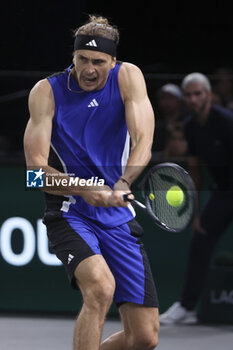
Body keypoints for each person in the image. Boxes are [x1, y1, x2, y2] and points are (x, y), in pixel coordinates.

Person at [24, 15, 159, 350]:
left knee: (144, 337)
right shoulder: (47, 92)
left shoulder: (128, 77)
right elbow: (33, 172)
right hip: (70, 213)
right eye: (82, 59)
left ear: (113, 62)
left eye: (98, 62)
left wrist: (125, 180)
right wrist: (84, 188)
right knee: (100, 289)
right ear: (73, 57)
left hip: (118, 218)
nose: (88, 69)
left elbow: (144, 138)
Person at [159, 72, 233, 325]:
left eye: (198, 94)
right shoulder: (190, 127)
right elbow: (195, 171)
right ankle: (187, 307)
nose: (193, 99)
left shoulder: (226, 121)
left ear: (209, 95)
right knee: (200, 239)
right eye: (189, 95)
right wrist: (196, 212)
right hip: (223, 192)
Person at [152, 83, 185, 152]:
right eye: (163, 98)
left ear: (179, 101)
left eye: (171, 98)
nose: (166, 102)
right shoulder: (156, 126)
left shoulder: (186, 124)